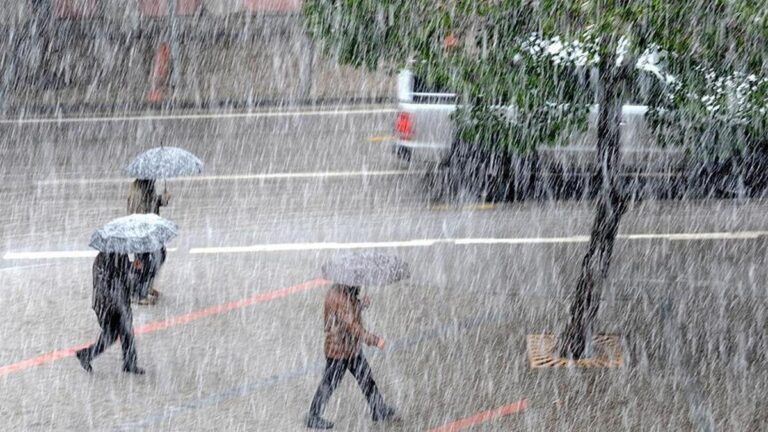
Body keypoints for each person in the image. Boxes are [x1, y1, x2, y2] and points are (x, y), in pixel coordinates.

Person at [306, 284, 398, 429]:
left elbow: (347, 315)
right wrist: (375, 340)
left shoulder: (343, 292)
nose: (360, 285)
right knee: (329, 384)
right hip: (339, 351)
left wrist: (361, 304)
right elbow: (353, 326)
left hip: (350, 348)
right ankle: (313, 416)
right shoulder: (341, 298)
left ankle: (377, 408)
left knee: (366, 377)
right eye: (357, 283)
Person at [76, 252, 145, 375]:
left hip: (110, 302)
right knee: (121, 332)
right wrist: (135, 269)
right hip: (111, 304)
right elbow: (122, 280)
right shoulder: (112, 258)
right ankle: (88, 355)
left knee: (119, 333)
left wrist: (133, 268)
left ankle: (88, 355)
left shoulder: (111, 256)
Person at [127, 179, 170, 304]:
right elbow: (139, 214)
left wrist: (162, 199)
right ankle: (137, 294)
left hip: (149, 230)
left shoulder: (147, 185)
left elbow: (152, 203)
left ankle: (145, 285)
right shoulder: (138, 192)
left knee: (159, 254)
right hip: (141, 233)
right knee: (144, 260)